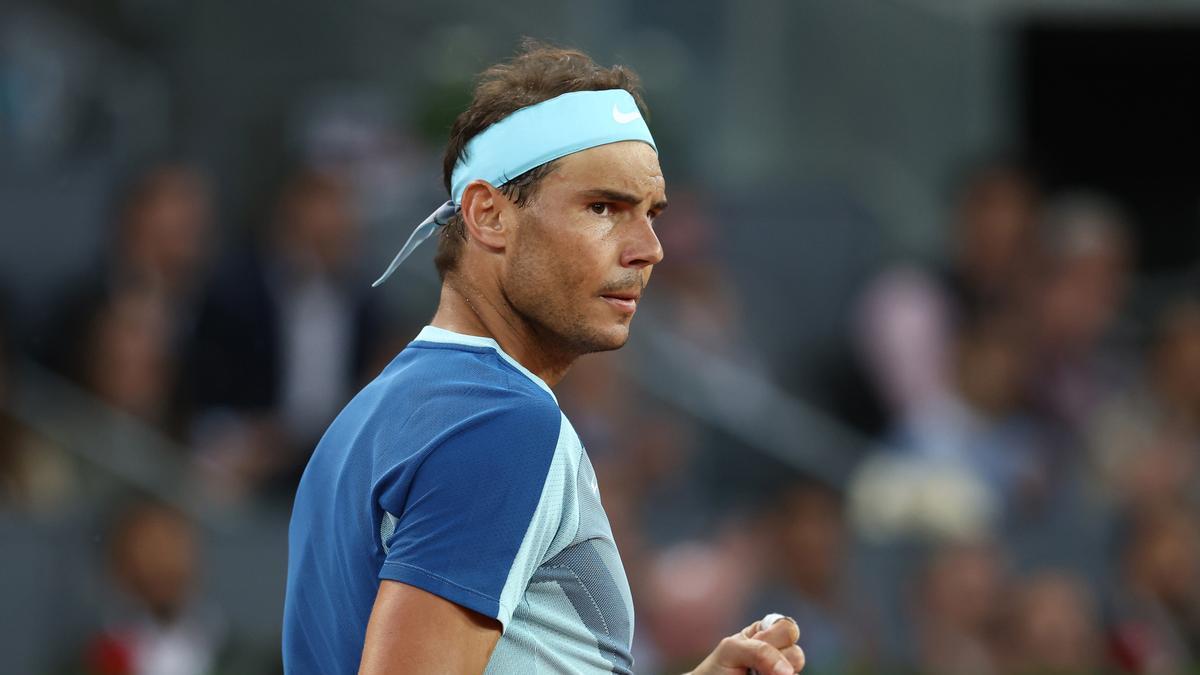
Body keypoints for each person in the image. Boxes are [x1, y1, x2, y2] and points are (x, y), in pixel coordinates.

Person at [282, 41, 805, 675]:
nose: (650, 248)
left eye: (652, 214)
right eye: (603, 208)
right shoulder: (501, 424)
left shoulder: (370, 414)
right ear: (488, 215)